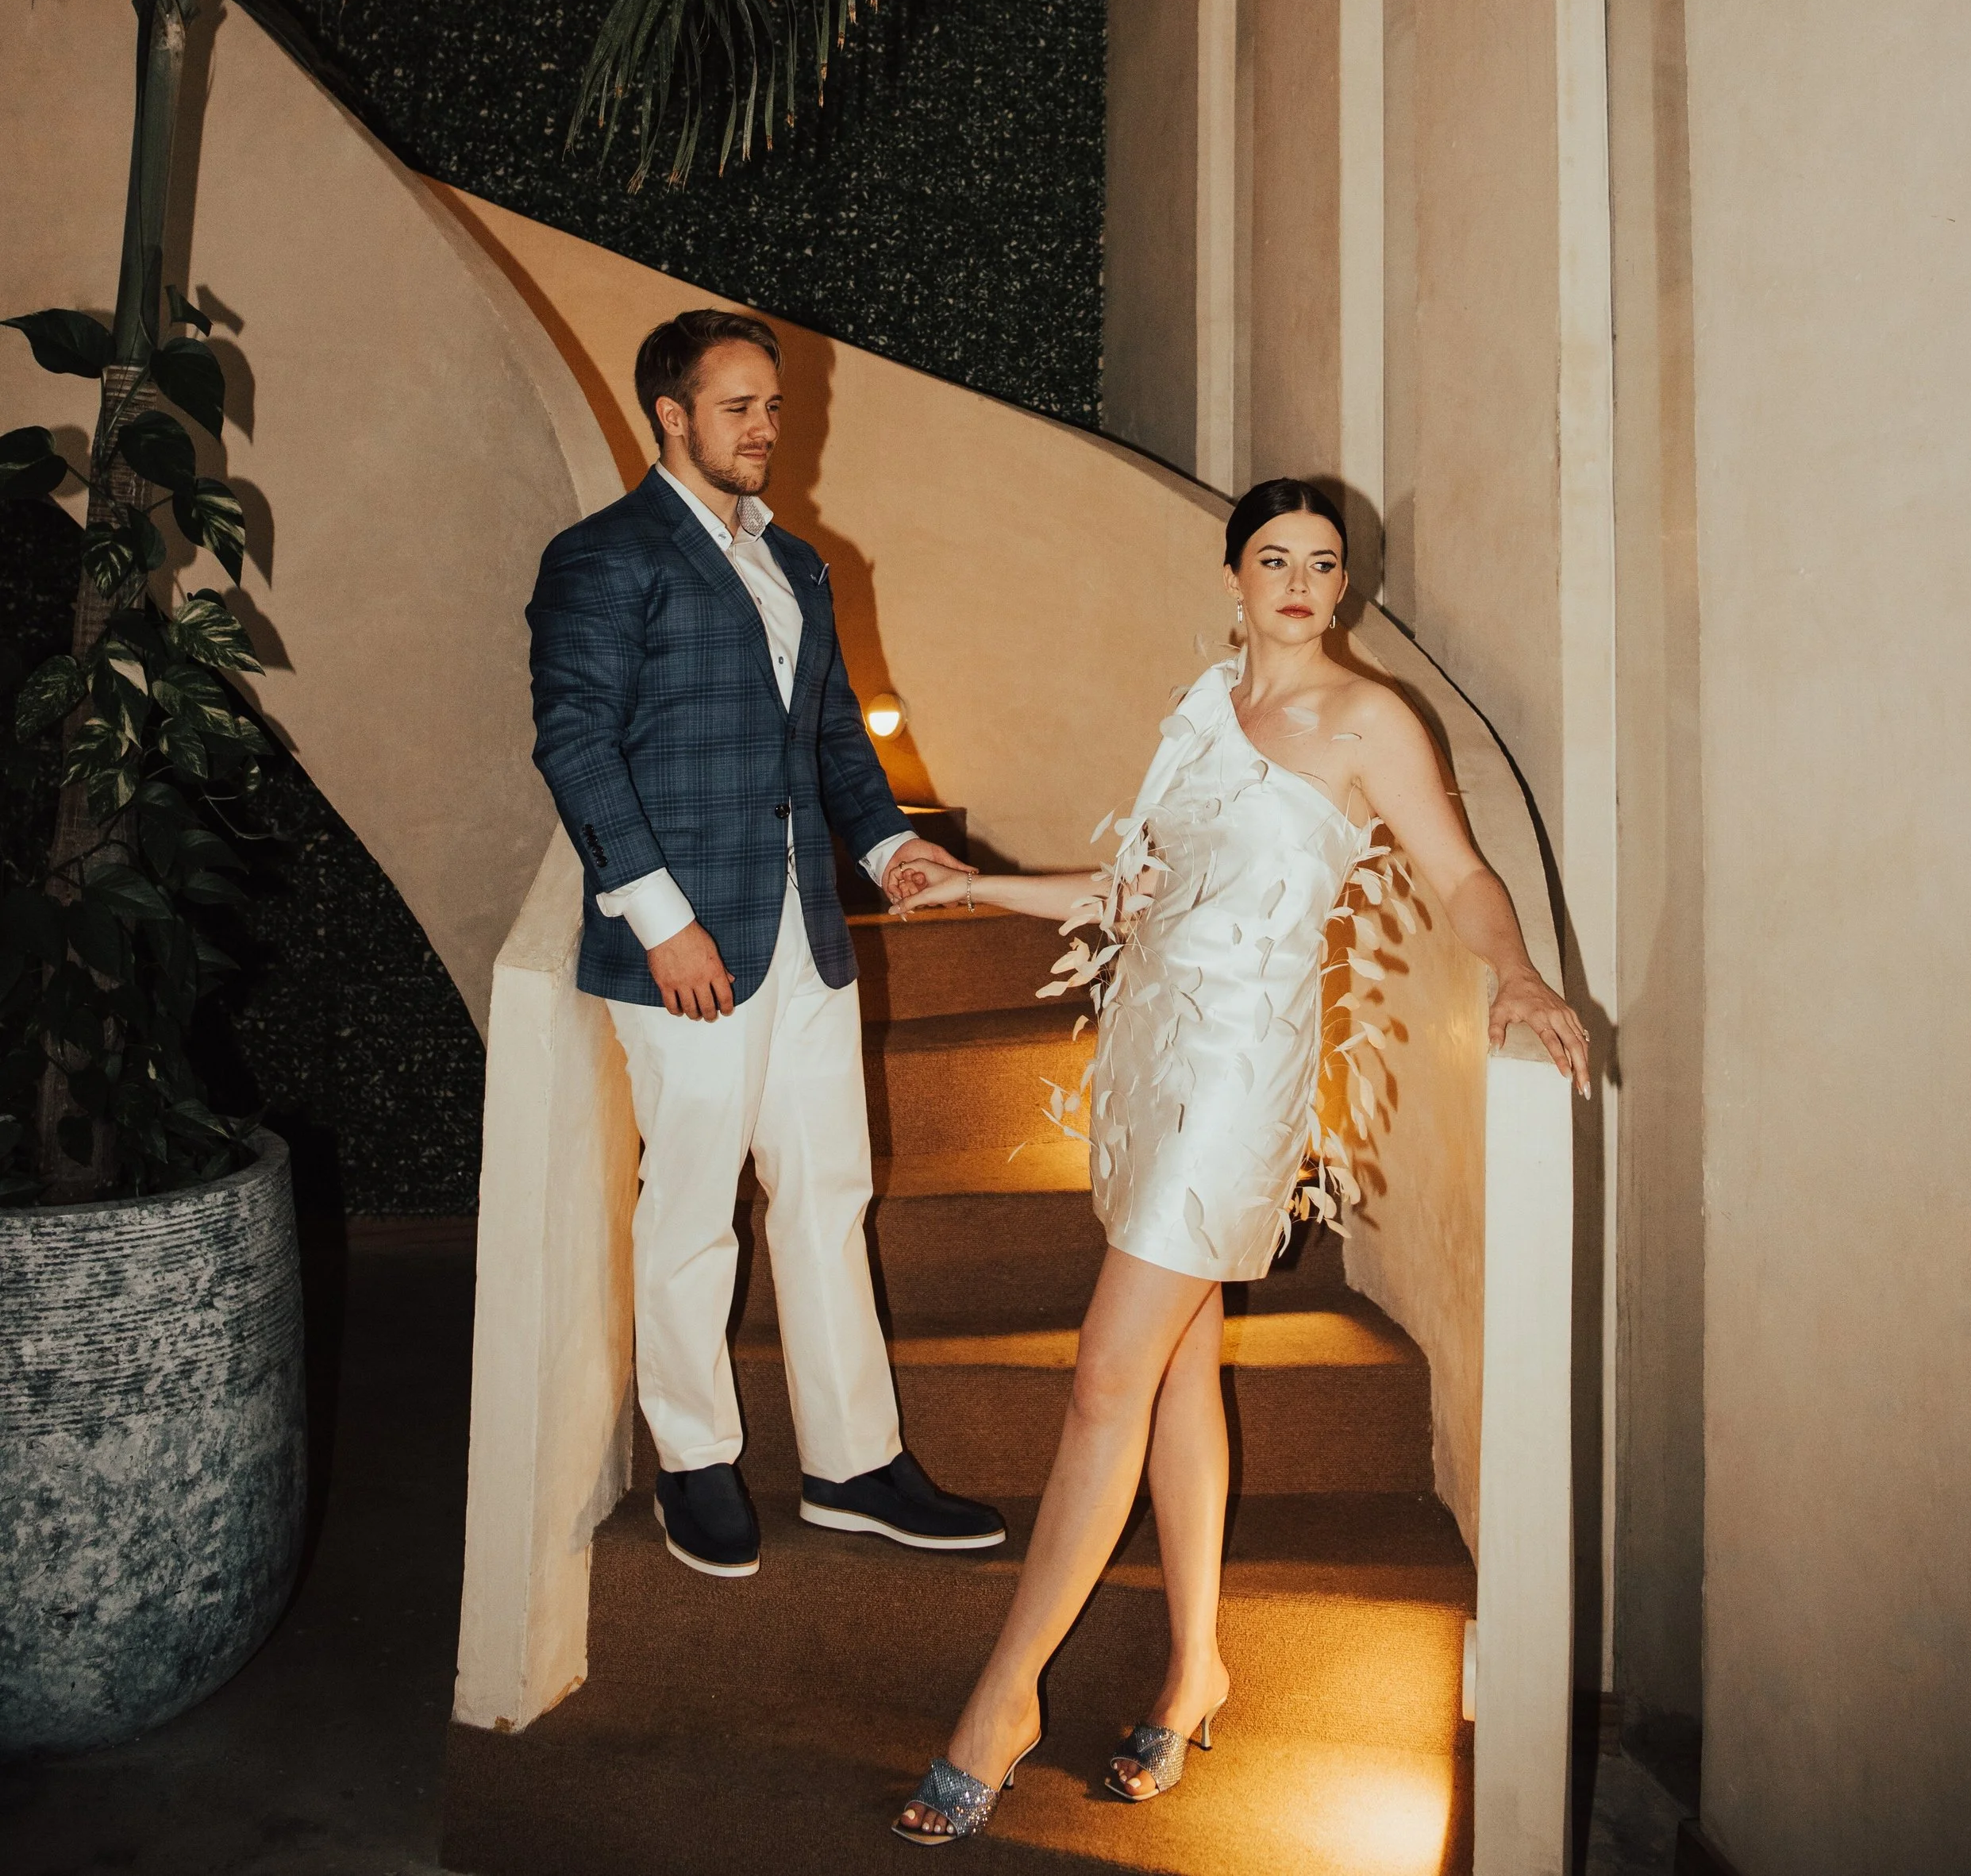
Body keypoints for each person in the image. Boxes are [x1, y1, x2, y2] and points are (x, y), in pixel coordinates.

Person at [886, 476, 1592, 1843]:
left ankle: (1002, 1700)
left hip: (1238, 1080)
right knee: (1180, 1360)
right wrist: (972, 887)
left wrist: (1513, 971)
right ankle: (1196, 1663)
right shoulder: (1205, 711)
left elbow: (1459, 874)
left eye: (1323, 565)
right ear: (1233, 577)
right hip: (1150, 1053)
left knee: (1104, 1380)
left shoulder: (1368, 720)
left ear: (1343, 589)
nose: (1298, 583)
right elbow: (1134, 895)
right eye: (1274, 559)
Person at [526, 308, 1004, 1580]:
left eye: (776, 408)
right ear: (671, 416)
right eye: (738, 408)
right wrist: (661, 922)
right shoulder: (603, 557)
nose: (767, 430)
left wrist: (893, 849)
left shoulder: (799, 563)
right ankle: (695, 1457)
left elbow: (835, 740)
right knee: (690, 1208)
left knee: (830, 1194)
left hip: (803, 933)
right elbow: (575, 744)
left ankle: (852, 1464)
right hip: (689, 945)